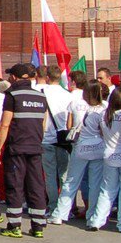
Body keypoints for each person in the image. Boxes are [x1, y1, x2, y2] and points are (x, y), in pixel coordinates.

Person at [0, 64, 49, 238]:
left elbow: (5, 124)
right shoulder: (40, 96)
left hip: (16, 147)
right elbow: (43, 124)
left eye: (11, 75)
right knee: (36, 185)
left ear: (16, 78)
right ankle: (38, 225)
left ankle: (14, 224)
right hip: (35, 146)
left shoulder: (12, 95)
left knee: (15, 185)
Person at [51, 81, 106, 224]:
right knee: (95, 183)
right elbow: (103, 131)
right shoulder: (104, 108)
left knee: (71, 181)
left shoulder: (80, 106)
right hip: (98, 147)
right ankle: (92, 216)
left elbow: (70, 125)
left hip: (81, 146)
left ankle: (59, 214)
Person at [88, 78, 121, 232]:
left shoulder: (103, 114)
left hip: (108, 153)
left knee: (107, 189)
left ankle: (97, 220)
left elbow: (101, 133)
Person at [39, 65, 75, 210]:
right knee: (64, 175)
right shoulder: (68, 94)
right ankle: (65, 207)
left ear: (47, 77)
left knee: (49, 176)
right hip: (63, 138)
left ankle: (53, 206)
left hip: (46, 137)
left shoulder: (41, 92)